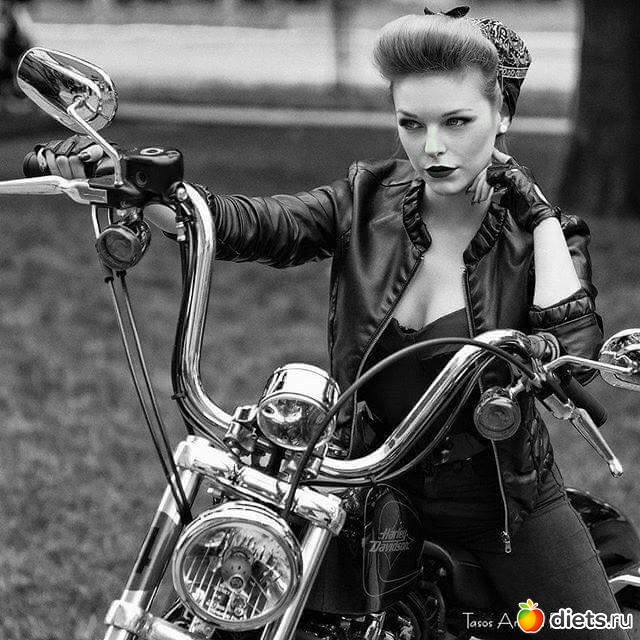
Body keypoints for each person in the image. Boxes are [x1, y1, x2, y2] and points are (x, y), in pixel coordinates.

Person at [37, 7, 626, 639]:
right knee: (231, 610)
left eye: (457, 122)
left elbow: (573, 347)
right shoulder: (365, 198)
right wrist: (136, 183)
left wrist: (538, 215)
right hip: (356, 476)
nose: (431, 147)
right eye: (411, 123)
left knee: (594, 632)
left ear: (502, 114)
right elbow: (251, 224)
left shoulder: (543, 236)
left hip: (500, 500)